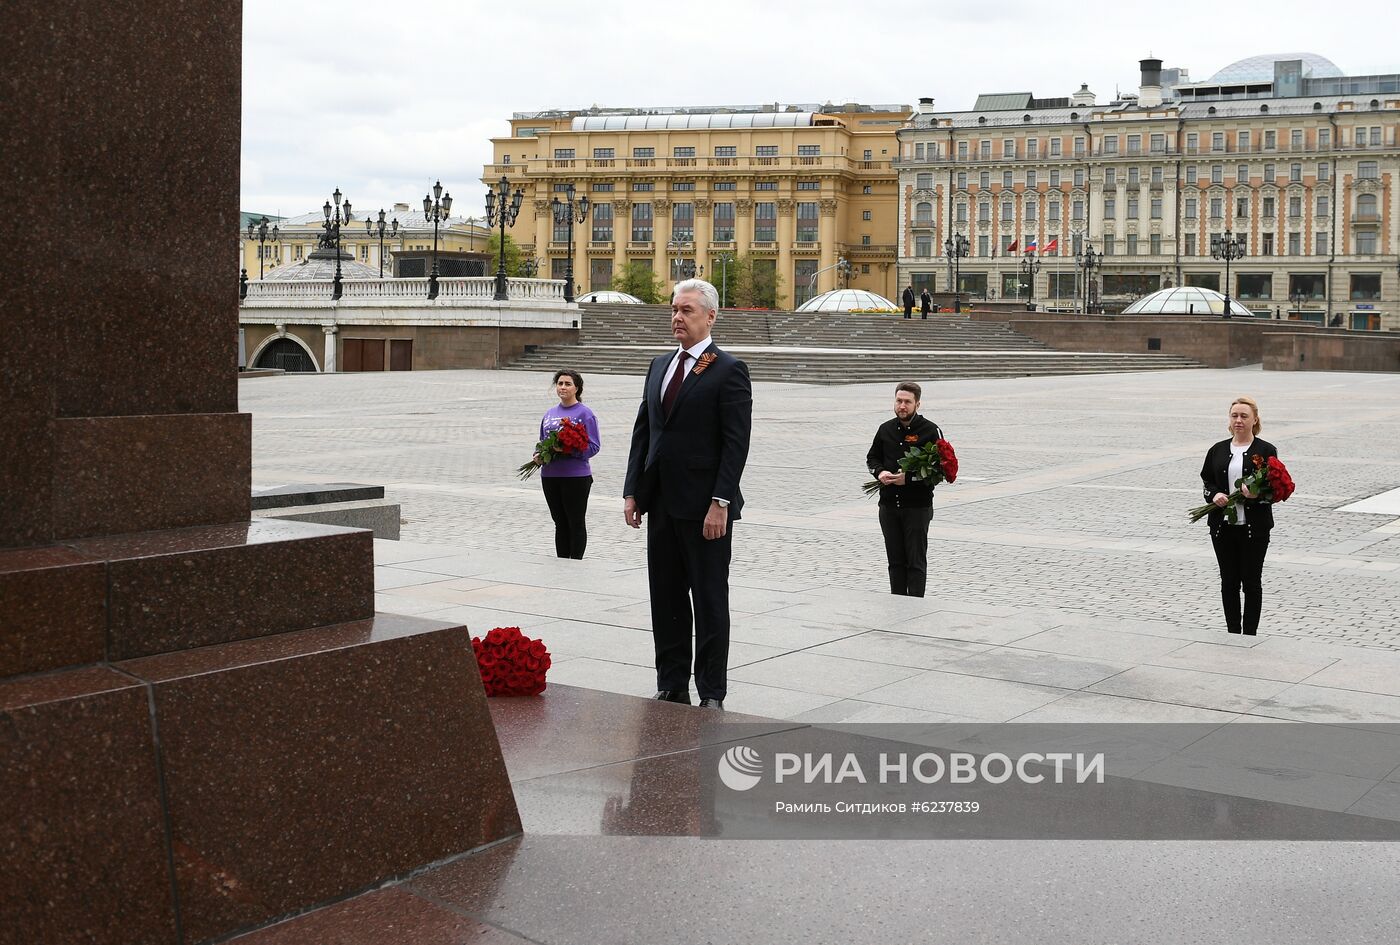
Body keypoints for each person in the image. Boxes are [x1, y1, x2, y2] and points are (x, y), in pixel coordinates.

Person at [624, 278, 752, 710]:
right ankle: (672, 682)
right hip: (661, 504)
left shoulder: (728, 369)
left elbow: (736, 444)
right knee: (666, 596)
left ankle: (712, 692)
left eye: (687, 311)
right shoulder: (659, 364)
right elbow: (645, 432)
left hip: (704, 509)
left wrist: (721, 501)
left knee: (710, 599)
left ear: (711, 316)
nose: (677, 317)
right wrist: (632, 492)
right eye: (674, 310)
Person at [1199, 396, 1278, 635]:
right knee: (1229, 581)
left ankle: (1250, 632)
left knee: (1251, 582)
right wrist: (1214, 496)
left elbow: (1275, 489)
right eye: (1234, 415)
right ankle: (1233, 630)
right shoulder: (1218, 449)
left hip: (1254, 528)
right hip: (1223, 527)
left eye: (1244, 416)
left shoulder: (1265, 450)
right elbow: (1207, 481)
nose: (1239, 420)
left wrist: (1257, 495)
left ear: (1255, 419)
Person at [866, 382, 943, 597]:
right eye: (899, 401)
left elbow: (939, 470)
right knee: (895, 561)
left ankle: (915, 605)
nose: (902, 406)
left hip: (917, 507)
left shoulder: (930, 430)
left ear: (917, 404)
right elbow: (872, 458)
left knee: (915, 562)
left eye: (907, 402)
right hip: (889, 506)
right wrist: (879, 473)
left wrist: (908, 479)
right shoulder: (885, 429)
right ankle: (897, 604)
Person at [538, 370, 601, 559]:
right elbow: (542, 441)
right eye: (560, 383)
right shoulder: (550, 413)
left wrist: (569, 450)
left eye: (567, 384)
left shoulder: (585, 413)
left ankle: (575, 562)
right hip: (550, 476)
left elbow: (594, 446)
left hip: (575, 477)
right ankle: (563, 561)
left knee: (575, 522)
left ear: (577, 388)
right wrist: (538, 455)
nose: (563, 387)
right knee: (559, 522)